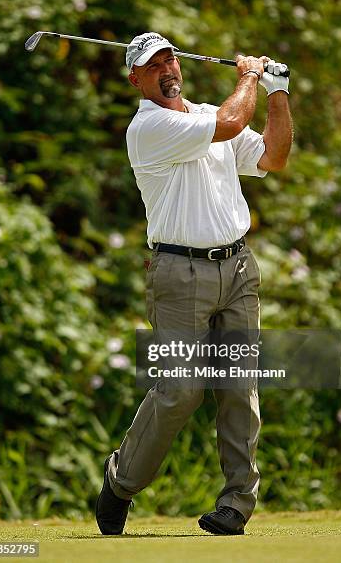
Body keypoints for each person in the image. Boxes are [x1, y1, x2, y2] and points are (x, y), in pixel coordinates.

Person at [96, 32, 292, 535]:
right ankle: (120, 481)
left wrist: (277, 93)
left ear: (179, 65)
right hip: (178, 274)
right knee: (180, 390)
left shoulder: (207, 114)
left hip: (239, 267)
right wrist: (250, 75)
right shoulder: (150, 127)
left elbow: (273, 157)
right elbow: (229, 124)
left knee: (238, 387)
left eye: (169, 58)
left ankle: (236, 505)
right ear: (135, 78)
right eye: (152, 64)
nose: (165, 69)